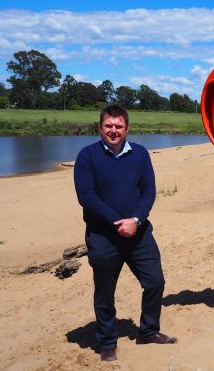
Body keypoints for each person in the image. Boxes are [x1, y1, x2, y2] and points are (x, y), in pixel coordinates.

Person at [74, 104, 177, 362]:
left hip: (139, 234)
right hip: (103, 237)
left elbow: (149, 191)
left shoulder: (140, 154)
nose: (113, 131)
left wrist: (136, 220)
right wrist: (118, 222)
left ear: (127, 128)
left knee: (155, 282)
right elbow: (87, 196)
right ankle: (108, 341)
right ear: (100, 127)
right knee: (105, 292)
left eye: (118, 126)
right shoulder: (87, 156)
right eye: (108, 125)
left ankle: (149, 331)